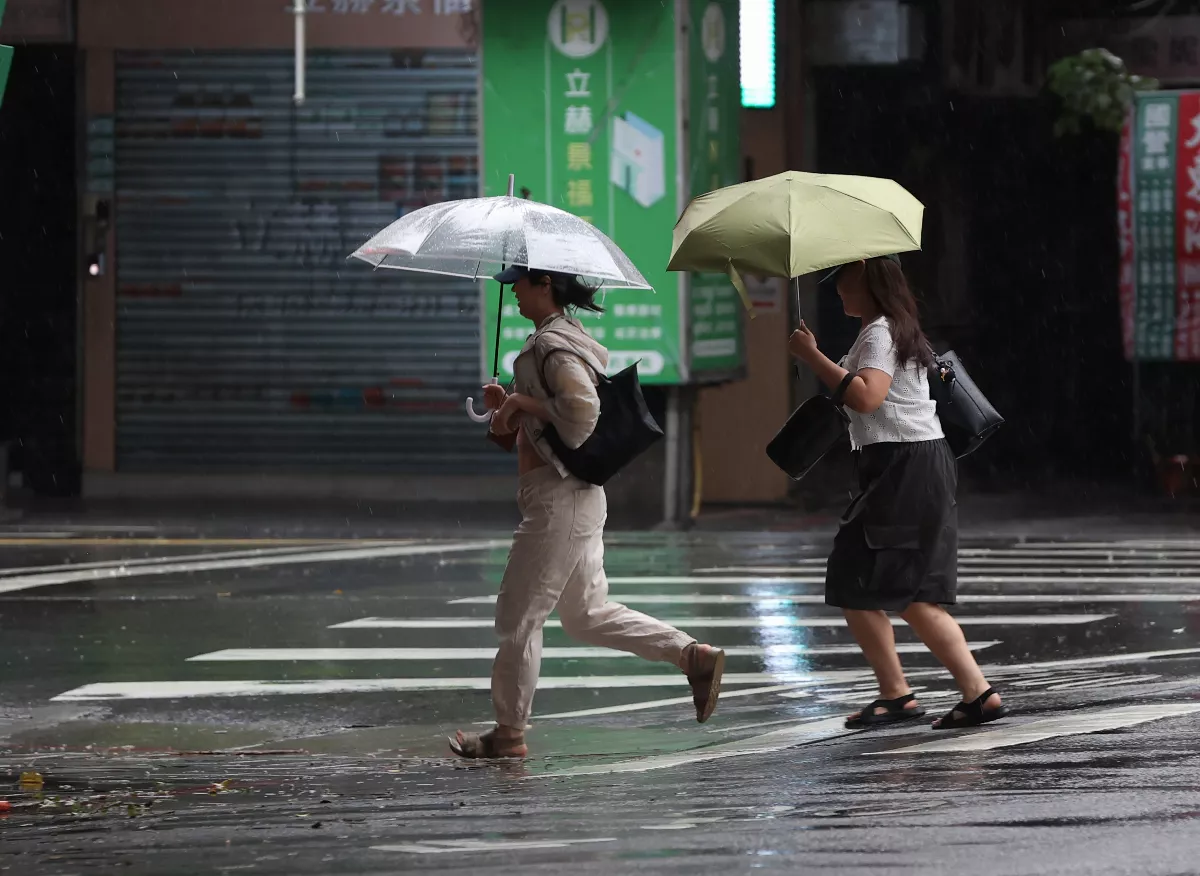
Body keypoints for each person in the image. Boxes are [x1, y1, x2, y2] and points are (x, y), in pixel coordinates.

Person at [449, 265, 725, 759]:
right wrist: (507, 406)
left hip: (560, 499)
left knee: (519, 617)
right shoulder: (554, 341)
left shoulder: (553, 347)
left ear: (545, 286)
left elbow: (581, 411)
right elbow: (531, 425)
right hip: (569, 496)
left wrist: (524, 404)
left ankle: (509, 734)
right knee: (584, 616)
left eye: (519, 282)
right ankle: (692, 656)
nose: (511, 291)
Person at [787, 255, 1008, 731]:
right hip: (906, 464)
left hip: (904, 466)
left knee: (883, 585)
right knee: (884, 585)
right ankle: (923, 694)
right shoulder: (886, 330)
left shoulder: (880, 333)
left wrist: (811, 356)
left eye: (842, 280)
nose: (837, 290)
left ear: (866, 281)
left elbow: (867, 395)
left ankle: (950, 693)